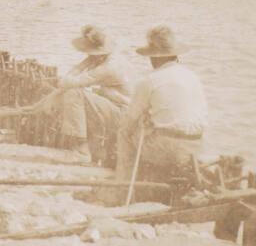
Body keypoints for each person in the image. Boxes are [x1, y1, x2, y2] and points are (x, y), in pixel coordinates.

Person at [109, 25, 207, 203]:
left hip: (168, 149)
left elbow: (129, 120)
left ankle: (123, 191)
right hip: (195, 146)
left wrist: (142, 123)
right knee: (153, 129)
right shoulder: (193, 77)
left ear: (153, 57)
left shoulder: (149, 81)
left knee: (124, 133)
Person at [36, 26, 132, 164]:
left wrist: (56, 92)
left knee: (74, 94)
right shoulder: (105, 59)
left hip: (123, 114)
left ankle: (82, 151)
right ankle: (89, 149)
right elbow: (72, 76)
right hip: (118, 108)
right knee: (76, 92)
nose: (87, 55)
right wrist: (54, 94)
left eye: (89, 52)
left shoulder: (108, 67)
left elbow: (68, 83)